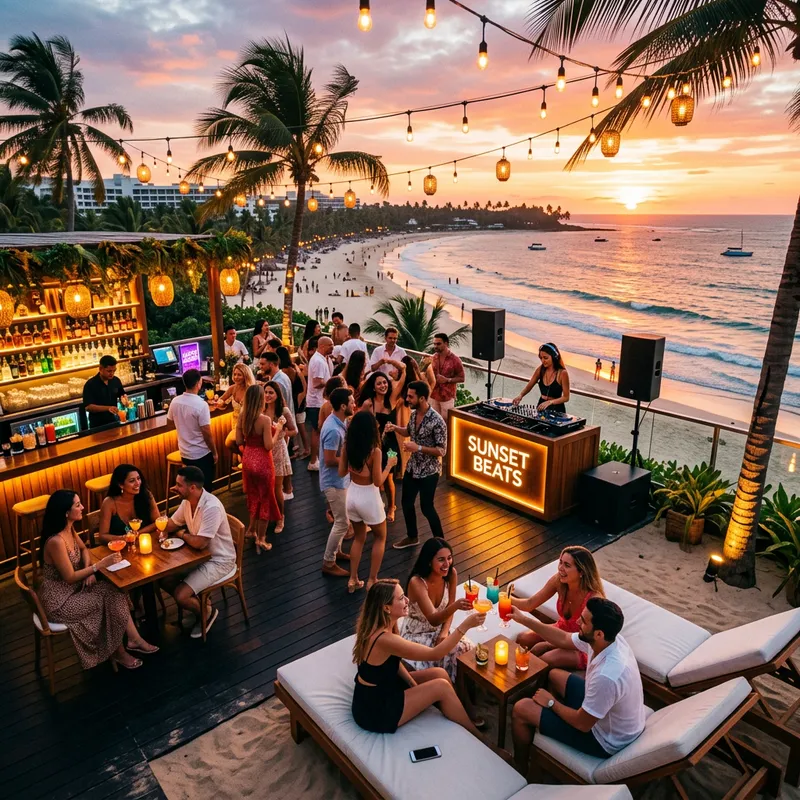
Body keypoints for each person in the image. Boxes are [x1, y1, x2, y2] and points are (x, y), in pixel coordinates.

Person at [510, 597, 646, 773]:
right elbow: (563, 638)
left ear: (599, 633)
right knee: (554, 675)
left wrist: (551, 703)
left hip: (605, 738)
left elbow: (583, 724)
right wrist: (523, 619)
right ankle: (546, 721)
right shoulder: (608, 640)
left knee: (521, 708)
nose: (577, 623)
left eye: (583, 621)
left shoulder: (607, 676)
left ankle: (520, 766)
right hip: (606, 714)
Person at [39, 490, 157, 670]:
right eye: (78, 505)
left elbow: (84, 550)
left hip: (75, 589)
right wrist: (98, 566)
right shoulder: (56, 541)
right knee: (106, 601)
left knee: (115, 590)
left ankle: (132, 640)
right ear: (66, 512)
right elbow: (70, 577)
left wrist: (89, 571)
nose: (82, 507)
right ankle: (120, 650)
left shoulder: (69, 529)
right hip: (60, 601)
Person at [351, 579, 486, 736]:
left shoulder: (383, 626)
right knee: (441, 686)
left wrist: (411, 683)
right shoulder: (384, 639)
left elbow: (393, 662)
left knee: (439, 673)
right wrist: (465, 626)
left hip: (386, 686)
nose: (407, 600)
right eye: (401, 598)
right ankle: (476, 735)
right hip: (376, 709)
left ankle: (454, 711)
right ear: (386, 608)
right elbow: (435, 654)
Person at [163, 467, 238, 638]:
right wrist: (156, 526)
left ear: (192, 488)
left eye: (178, 485)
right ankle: (200, 603)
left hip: (219, 561)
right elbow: (171, 524)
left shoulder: (211, 507)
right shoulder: (187, 502)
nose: (174, 488)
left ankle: (205, 612)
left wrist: (181, 534)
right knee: (164, 580)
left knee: (181, 596)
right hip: (198, 558)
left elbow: (199, 543)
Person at [512, 545, 605, 669]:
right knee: (523, 639)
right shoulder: (559, 581)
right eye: (560, 562)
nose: (560, 568)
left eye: (567, 565)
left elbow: (589, 639)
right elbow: (529, 604)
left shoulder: (594, 600)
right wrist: (504, 597)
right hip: (561, 629)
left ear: (581, 571)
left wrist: (548, 644)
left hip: (581, 643)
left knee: (546, 659)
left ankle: (536, 679)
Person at [402, 538, 475, 682]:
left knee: (467, 649)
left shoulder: (451, 574)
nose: (447, 564)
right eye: (441, 560)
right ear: (429, 561)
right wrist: (456, 606)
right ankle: (450, 687)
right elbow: (434, 619)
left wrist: (444, 632)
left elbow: (449, 606)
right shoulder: (417, 582)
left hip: (440, 629)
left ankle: (465, 690)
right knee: (438, 660)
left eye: (449, 558)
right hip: (416, 633)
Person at [339, 411, 396, 592]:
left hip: (352, 494)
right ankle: (372, 579)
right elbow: (378, 482)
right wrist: (389, 465)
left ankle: (353, 579)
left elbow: (341, 472)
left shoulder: (347, 446)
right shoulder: (375, 452)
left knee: (359, 537)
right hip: (369, 497)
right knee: (380, 537)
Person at [386, 381, 446, 550]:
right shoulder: (413, 415)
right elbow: (408, 431)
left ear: (422, 398)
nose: (407, 399)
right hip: (413, 467)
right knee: (406, 503)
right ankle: (412, 536)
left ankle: (441, 542)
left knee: (427, 507)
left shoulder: (437, 421)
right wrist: (395, 428)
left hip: (429, 471)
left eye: (411, 396)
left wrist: (417, 447)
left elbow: (442, 451)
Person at [235, 384, 283, 550]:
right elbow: (269, 446)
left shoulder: (242, 417)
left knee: (254, 496)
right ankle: (261, 538)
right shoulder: (264, 420)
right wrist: (278, 430)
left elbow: (239, 441)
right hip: (263, 462)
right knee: (266, 499)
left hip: (248, 460)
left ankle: (251, 529)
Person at [359, 369, 406, 522]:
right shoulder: (368, 403)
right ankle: (376, 505)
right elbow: (360, 423)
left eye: (385, 382)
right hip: (374, 445)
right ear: (373, 387)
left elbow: (403, 379)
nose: (383, 385)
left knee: (389, 477)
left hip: (391, 446)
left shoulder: (391, 400)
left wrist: (401, 368)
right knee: (373, 477)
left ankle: (392, 506)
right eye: (379, 383)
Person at [320, 386, 355, 578]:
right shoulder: (334, 430)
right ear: (343, 406)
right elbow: (329, 459)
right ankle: (328, 562)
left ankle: (337, 551)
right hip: (334, 482)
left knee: (342, 519)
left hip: (340, 480)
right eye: (351, 402)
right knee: (342, 522)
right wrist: (351, 463)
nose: (354, 404)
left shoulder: (339, 421)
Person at [167, 369, 218, 490]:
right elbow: (206, 433)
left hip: (185, 453)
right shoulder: (201, 405)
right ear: (198, 383)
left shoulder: (175, 401)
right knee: (205, 489)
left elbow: (169, 424)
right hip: (201, 454)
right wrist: (214, 452)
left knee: (192, 489)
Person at [263, 379, 296, 530]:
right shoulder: (261, 410)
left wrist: (281, 432)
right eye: (266, 392)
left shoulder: (284, 411)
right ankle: (268, 514)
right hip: (265, 450)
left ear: (277, 394)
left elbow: (294, 430)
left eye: (271, 392)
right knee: (266, 487)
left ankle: (280, 517)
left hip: (278, 451)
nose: (267, 395)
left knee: (277, 488)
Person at [98, 464, 160, 543]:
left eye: (138, 478)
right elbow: (103, 536)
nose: (137, 483)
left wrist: (137, 534)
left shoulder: (146, 494)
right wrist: (123, 538)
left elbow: (157, 522)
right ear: (121, 485)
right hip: (119, 547)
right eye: (132, 481)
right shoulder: (109, 503)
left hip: (144, 542)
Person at [512, 342, 571, 413]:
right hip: (541, 405)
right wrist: (521, 395)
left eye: (545, 358)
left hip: (557, 408)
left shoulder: (562, 373)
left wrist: (550, 402)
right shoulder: (540, 370)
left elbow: (566, 397)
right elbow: (529, 386)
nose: (543, 361)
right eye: (541, 358)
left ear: (554, 357)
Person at [306, 335, 333, 471]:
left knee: (318, 431)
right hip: (316, 402)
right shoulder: (318, 361)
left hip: (320, 401)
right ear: (322, 346)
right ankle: (313, 460)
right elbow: (317, 382)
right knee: (317, 431)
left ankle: (318, 458)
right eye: (330, 345)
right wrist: (331, 383)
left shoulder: (323, 359)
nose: (333, 347)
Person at [217, 362, 255, 453]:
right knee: (233, 445)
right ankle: (244, 457)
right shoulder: (232, 388)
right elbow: (221, 400)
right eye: (234, 374)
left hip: (248, 424)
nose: (236, 377)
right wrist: (219, 402)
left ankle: (246, 457)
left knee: (230, 443)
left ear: (245, 376)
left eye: (239, 375)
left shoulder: (251, 389)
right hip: (235, 424)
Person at [82, 355, 127, 429]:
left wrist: (124, 399)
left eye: (114, 371)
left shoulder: (116, 381)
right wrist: (108, 408)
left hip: (114, 421)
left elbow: (122, 395)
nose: (112, 373)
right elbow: (88, 407)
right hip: (98, 425)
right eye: (109, 371)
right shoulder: (90, 384)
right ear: (100, 368)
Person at [429, 332, 465, 419]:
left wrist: (447, 380)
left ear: (446, 344)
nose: (435, 346)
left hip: (447, 397)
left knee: (447, 422)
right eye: (434, 344)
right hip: (433, 395)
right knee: (433, 420)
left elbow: (462, 378)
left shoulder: (455, 360)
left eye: (438, 344)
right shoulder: (433, 358)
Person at [257, 351, 295, 420]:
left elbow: (276, 404)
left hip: (280, 421)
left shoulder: (278, 382)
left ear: (271, 364)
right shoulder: (282, 376)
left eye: (263, 364)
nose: (260, 367)